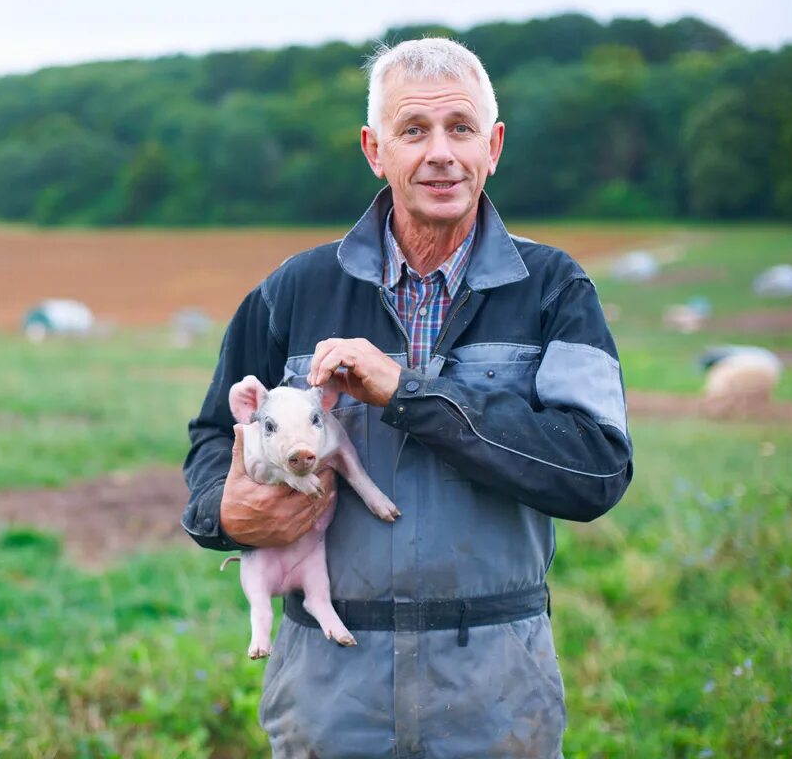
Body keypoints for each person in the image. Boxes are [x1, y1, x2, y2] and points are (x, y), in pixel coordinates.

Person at [182, 37, 633, 759]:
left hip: (495, 685)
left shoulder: (553, 288)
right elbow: (214, 436)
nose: (441, 154)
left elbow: (595, 469)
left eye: (461, 128)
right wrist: (222, 512)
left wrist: (412, 395)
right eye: (413, 130)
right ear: (374, 148)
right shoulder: (295, 290)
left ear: (495, 144)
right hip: (330, 686)